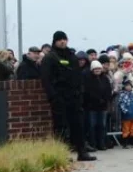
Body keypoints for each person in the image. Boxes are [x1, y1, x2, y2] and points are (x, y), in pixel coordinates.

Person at [42, 31, 95, 161]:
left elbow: (78, 76)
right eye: (60, 40)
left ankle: (82, 152)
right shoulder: (50, 58)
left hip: (74, 97)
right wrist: (53, 97)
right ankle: (62, 155)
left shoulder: (72, 56)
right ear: (55, 41)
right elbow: (46, 79)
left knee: (78, 125)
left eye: (64, 39)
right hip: (59, 97)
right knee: (61, 127)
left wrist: (80, 93)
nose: (63, 42)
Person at [82, 60, 113, 151]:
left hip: (103, 107)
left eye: (99, 68)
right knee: (92, 125)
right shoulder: (88, 79)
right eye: (95, 68)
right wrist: (97, 99)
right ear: (92, 69)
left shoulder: (105, 79)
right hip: (92, 106)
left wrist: (106, 99)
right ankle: (93, 144)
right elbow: (88, 92)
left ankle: (101, 143)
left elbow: (108, 90)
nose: (97, 70)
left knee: (102, 126)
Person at [117, 77, 133, 148]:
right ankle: (125, 142)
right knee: (126, 128)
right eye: (127, 86)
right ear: (124, 86)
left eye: (129, 85)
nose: (128, 87)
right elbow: (121, 104)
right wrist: (125, 111)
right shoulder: (122, 94)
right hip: (126, 114)